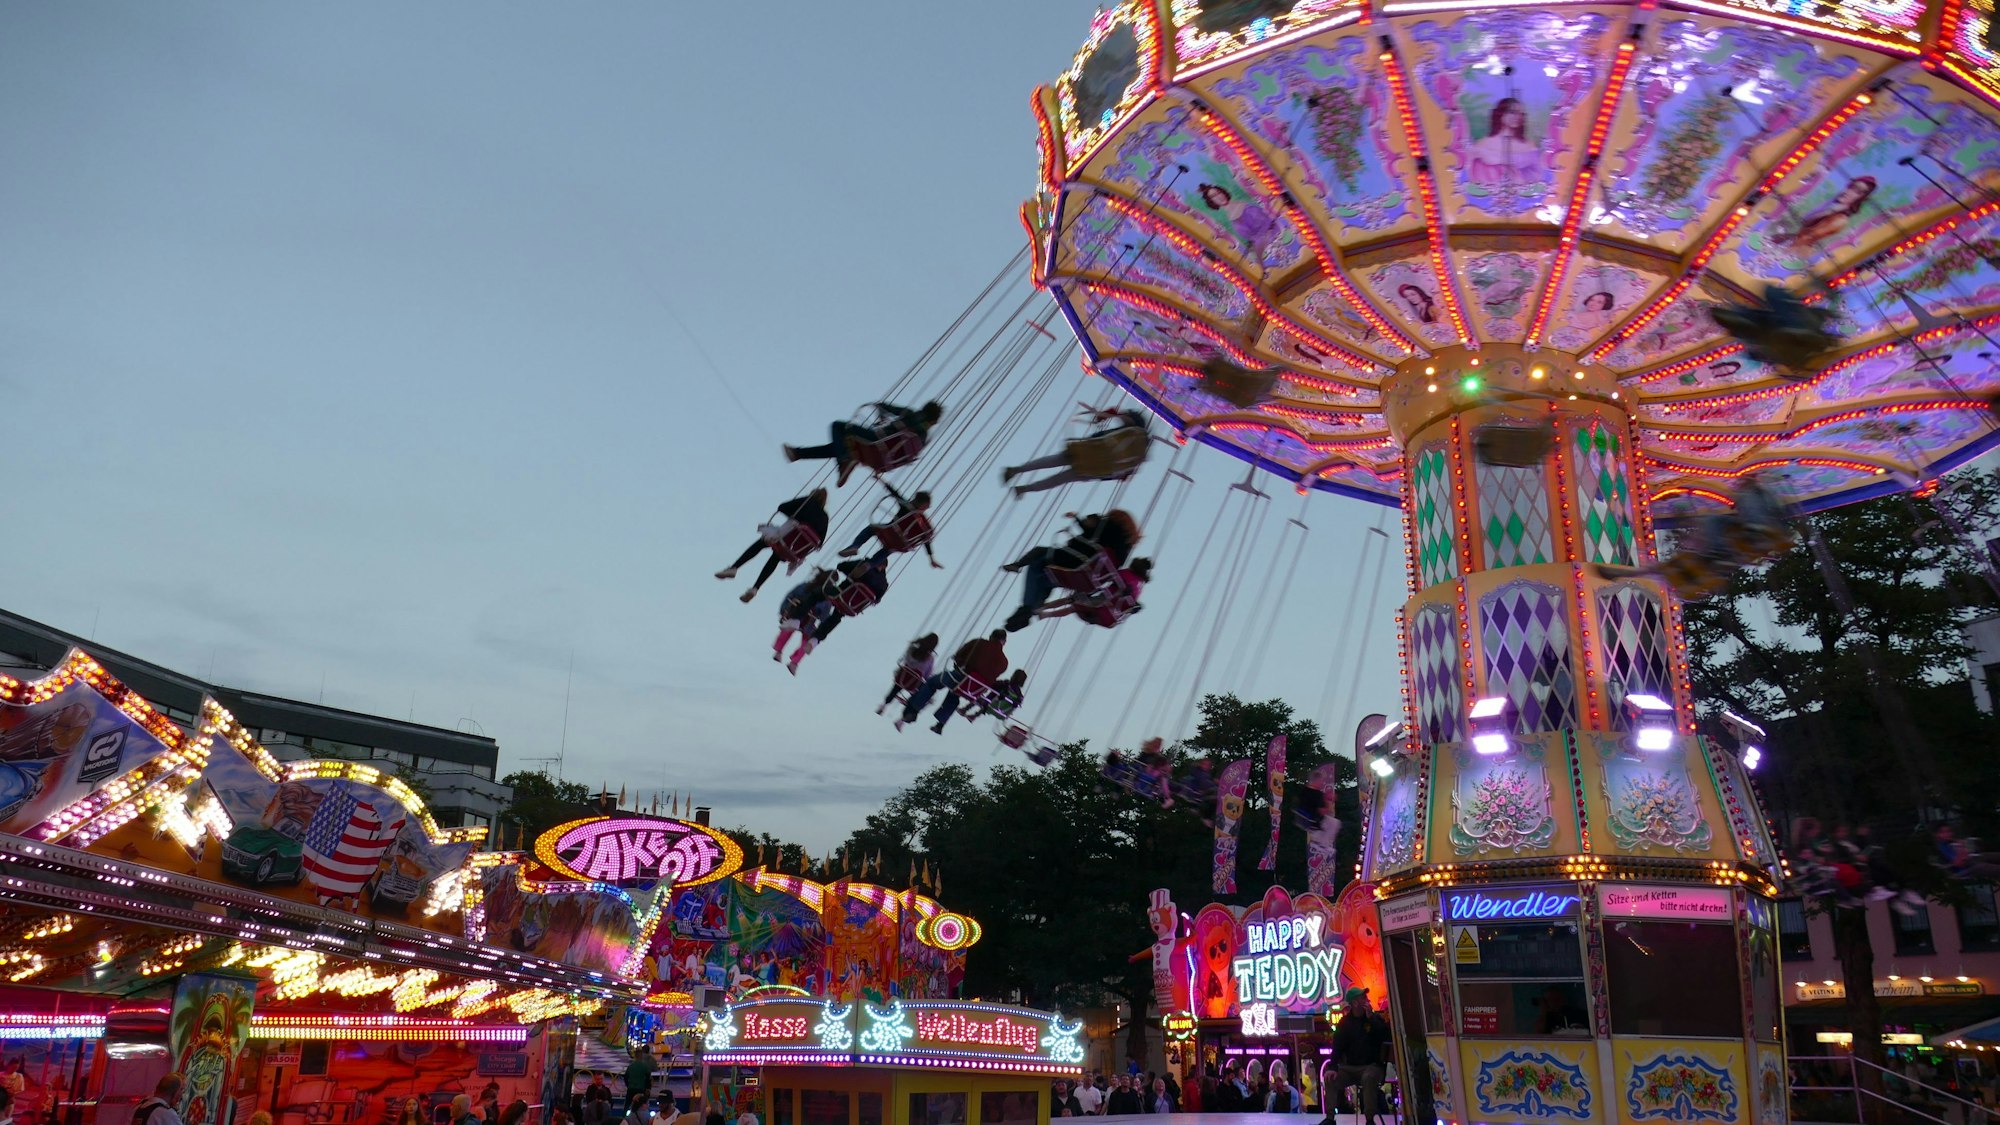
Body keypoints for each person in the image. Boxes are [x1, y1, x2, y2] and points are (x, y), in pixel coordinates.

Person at [1003, 510, 1142, 632]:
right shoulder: (1124, 550)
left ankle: (1026, 604)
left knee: (1038, 561)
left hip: (1076, 562)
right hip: (1092, 580)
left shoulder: (1107, 525)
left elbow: (1088, 530)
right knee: (1046, 579)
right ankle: (1029, 610)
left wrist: (1077, 520)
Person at [784, 401, 944, 486]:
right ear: (933, 421)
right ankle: (798, 454)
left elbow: (885, 407)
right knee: (842, 446)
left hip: (876, 443)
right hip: (884, 462)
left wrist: (880, 409)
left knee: (839, 427)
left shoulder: (910, 415)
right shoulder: (922, 440)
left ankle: (843, 461)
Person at [1003, 406, 1151, 496]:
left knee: (1055, 462)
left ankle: (1018, 472)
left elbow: (1125, 418)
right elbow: (1120, 474)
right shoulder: (1137, 448)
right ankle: (1023, 487)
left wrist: (1109, 414)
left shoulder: (1133, 433)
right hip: (1097, 466)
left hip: (1092, 450)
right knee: (1059, 478)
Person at [718, 489, 831, 603]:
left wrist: (793, 516)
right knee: (776, 557)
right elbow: (820, 543)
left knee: (761, 543)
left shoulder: (807, 502)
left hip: (786, 536)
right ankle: (755, 588)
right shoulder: (825, 518)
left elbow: (782, 507)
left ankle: (734, 568)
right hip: (797, 549)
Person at [1709, 283, 1839, 375]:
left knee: (1769, 300)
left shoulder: (1794, 357)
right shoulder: (1810, 342)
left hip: (1773, 330)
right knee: (1773, 296)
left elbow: (1760, 355)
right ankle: (1738, 315)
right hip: (1780, 326)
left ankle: (1737, 316)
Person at [896, 629, 1008, 734]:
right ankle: (939, 725)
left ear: (991, 637)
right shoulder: (1004, 662)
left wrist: (959, 663)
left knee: (931, 683)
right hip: (973, 689)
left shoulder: (978, 643)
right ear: (1004, 642)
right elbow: (991, 678)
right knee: (955, 694)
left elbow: (959, 654)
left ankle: (913, 711)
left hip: (959, 677)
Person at [792, 555, 890, 671]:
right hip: (852, 606)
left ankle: (796, 619)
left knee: (816, 594)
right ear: (883, 567)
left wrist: (851, 572)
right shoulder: (884, 584)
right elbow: (876, 600)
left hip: (840, 593)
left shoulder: (863, 565)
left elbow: (841, 566)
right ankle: (815, 640)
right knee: (836, 617)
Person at [839, 481, 945, 567]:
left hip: (889, 530)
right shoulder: (922, 522)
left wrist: (882, 481)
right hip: (901, 544)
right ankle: (869, 565)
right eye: (927, 506)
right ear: (923, 505)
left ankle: (855, 546)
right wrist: (931, 558)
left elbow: (895, 493)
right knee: (889, 549)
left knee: (871, 529)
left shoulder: (906, 505)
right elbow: (926, 540)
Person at [1329, 989, 1391, 1125]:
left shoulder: (1374, 1019)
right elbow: (1337, 1047)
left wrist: (1371, 1019)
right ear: (1355, 1003)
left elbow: (1385, 1037)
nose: (1366, 1000)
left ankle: (1369, 1119)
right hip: (1349, 1068)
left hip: (1371, 1066)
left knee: (1368, 1077)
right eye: (1363, 997)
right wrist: (1332, 1067)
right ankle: (1329, 1118)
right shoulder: (1345, 1023)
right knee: (1330, 1078)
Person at [1037, 558, 1150, 625]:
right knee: (1074, 605)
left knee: (1073, 600)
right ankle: (1046, 612)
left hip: (1103, 601)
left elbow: (1110, 576)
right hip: (1111, 611)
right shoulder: (1139, 585)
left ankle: (1044, 609)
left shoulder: (1127, 574)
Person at [1783, 177, 1877, 252]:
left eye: (1857, 192)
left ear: (1860, 199)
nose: (1847, 192)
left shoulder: (1840, 219)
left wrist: (1828, 212)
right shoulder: (1832, 205)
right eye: (1851, 187)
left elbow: (1806, 237)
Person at [772, 569, 838, 670]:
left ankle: (794, 662)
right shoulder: (807, 586)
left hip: (809, 621)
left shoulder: (826, 599)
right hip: (796, 613)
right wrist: (784, 610)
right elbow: (790, 596)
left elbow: (824, 616)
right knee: (789, 629)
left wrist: (819, 625)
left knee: (808, 639)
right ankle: (779, 652)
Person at [1466, 97, 1540, 184]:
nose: (1518, 117)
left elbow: (1537, 176)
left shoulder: (1529, 145)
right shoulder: (1483, 144)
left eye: (1521, 114)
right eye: (1512, 112)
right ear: (1500, 114)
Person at [878, 633, 941, 714]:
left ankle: (884, 705)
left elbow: (905, 659)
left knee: (896, 688)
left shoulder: (912, 648)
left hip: (901, 678)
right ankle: (909, 711)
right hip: (913, 684)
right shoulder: (930, 658)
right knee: (924, 690)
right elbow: (927, 675)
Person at [625, 1050, 658, 1115]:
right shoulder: (645, 1066)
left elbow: (626, 1077)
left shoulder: (631, 1066)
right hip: (641, 1089)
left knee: (627, 1106)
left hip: (631, 1089)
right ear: (641, 1056)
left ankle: (623, 1119)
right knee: (643, 1107)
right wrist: (648, 1088)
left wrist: (628, 1085)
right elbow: (648, 1078)